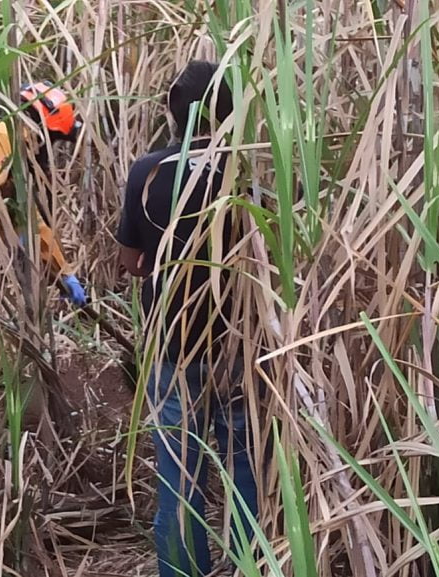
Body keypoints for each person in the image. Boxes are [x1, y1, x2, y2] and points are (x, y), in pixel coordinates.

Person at [116, 61, 260, 576]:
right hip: (240, 346)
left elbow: (131, 263)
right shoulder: (246, 172)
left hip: (173, 347)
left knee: (180, 476)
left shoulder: (147, 172)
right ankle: (249, 566)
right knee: (245, 467)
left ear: (174, 111)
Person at [0, 81, 87, 410]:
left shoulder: (6, 141)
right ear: (42, 129)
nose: (52, 152)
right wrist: (56, 267)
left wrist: (60, 271)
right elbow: (12, 214)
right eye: (55, 141)